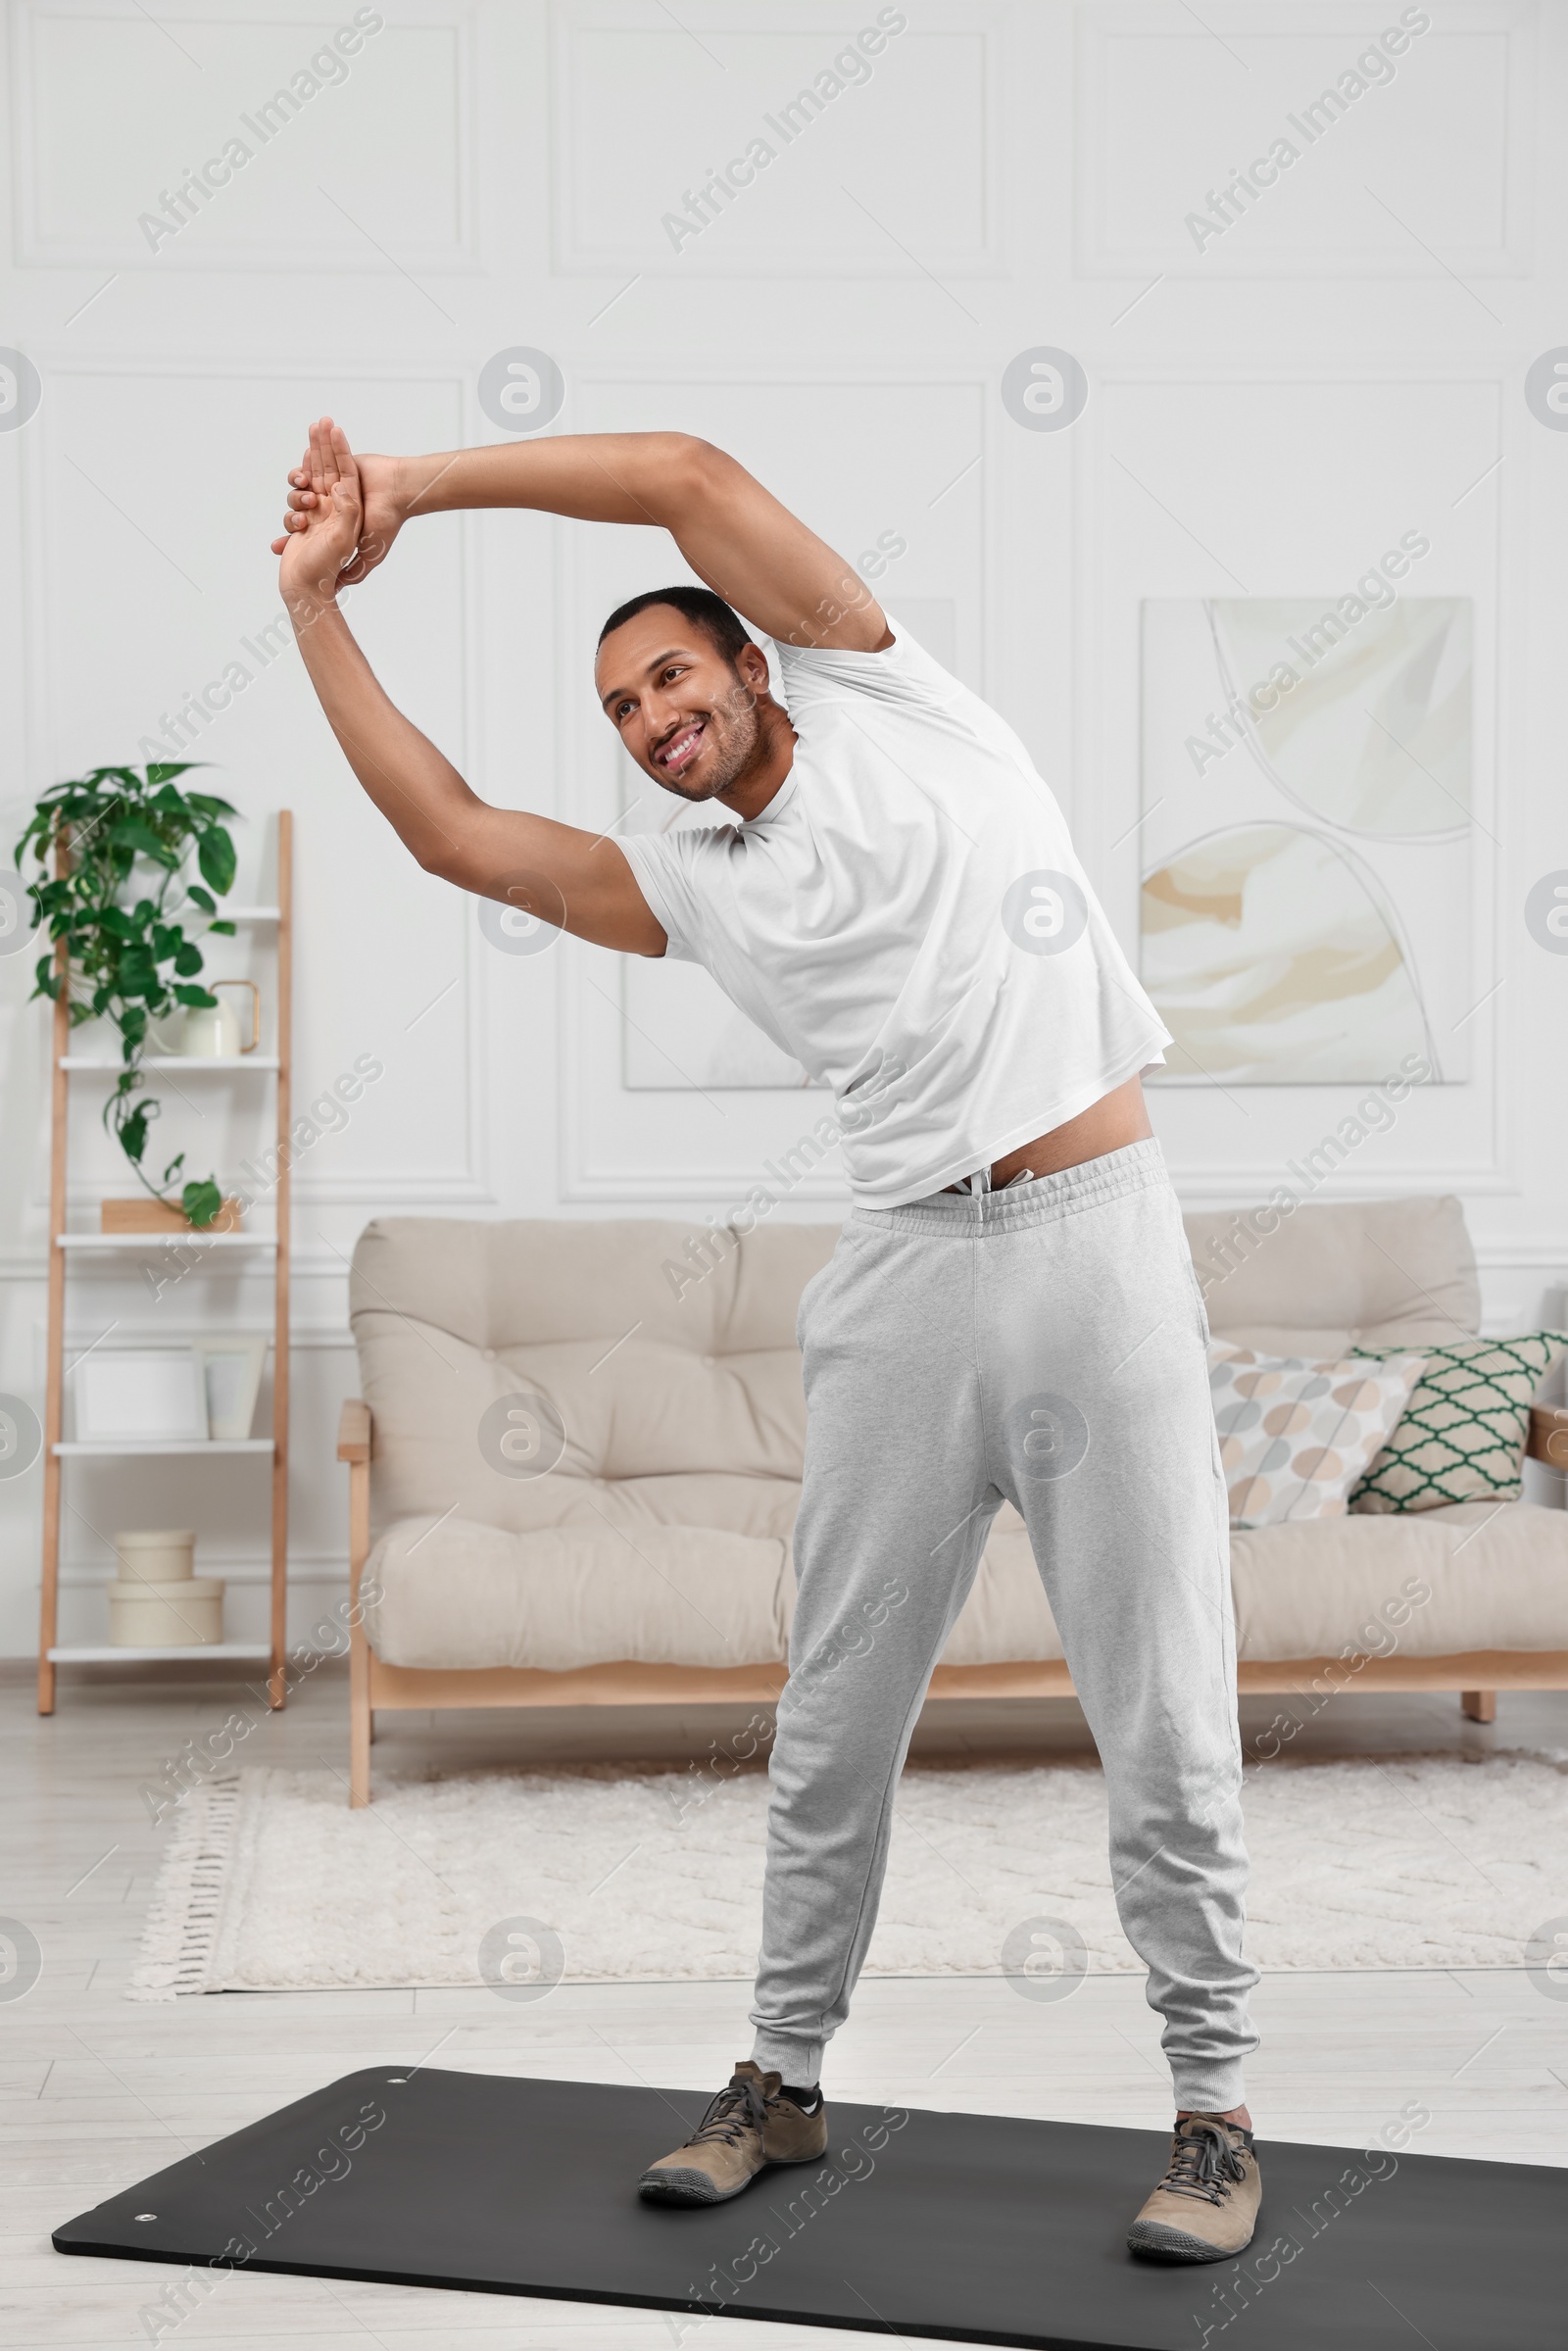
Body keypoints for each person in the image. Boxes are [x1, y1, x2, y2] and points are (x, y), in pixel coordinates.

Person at [273, 419, 1261, 2264]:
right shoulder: (695, 884)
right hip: (896, 1276)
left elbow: (680, 471)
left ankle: (1213, 2111)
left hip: (1094, 1250)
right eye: (623, 713)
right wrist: (321, 604)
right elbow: (453, 835)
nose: (654, 719)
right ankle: (782, 2078)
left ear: (749, 655)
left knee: (1161, 1702)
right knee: (831, 1717)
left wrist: (407, 486)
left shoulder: (899, 701)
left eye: (670, 672)